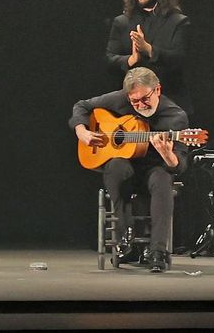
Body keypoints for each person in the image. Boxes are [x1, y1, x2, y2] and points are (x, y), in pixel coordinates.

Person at [70, 67, 189, 272]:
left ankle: (158, 252)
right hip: (125, 170)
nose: (140, 106)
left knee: (162, 180)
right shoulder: (120, 99)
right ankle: (125, 240)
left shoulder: (175, 116)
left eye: (145, 99)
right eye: (134, 102)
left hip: (155, 170)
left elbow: (180, 165)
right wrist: (81, 130)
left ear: (157, 90)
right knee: (116, 165)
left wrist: (169, 157)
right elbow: (82, 106)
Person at [105, 0, 193, 111]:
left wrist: (149, 50)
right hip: (131, 107)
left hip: (169, 104)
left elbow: (181, 59)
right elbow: (109, 58)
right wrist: (130, 60)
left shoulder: (178, 21)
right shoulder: (122, 22)